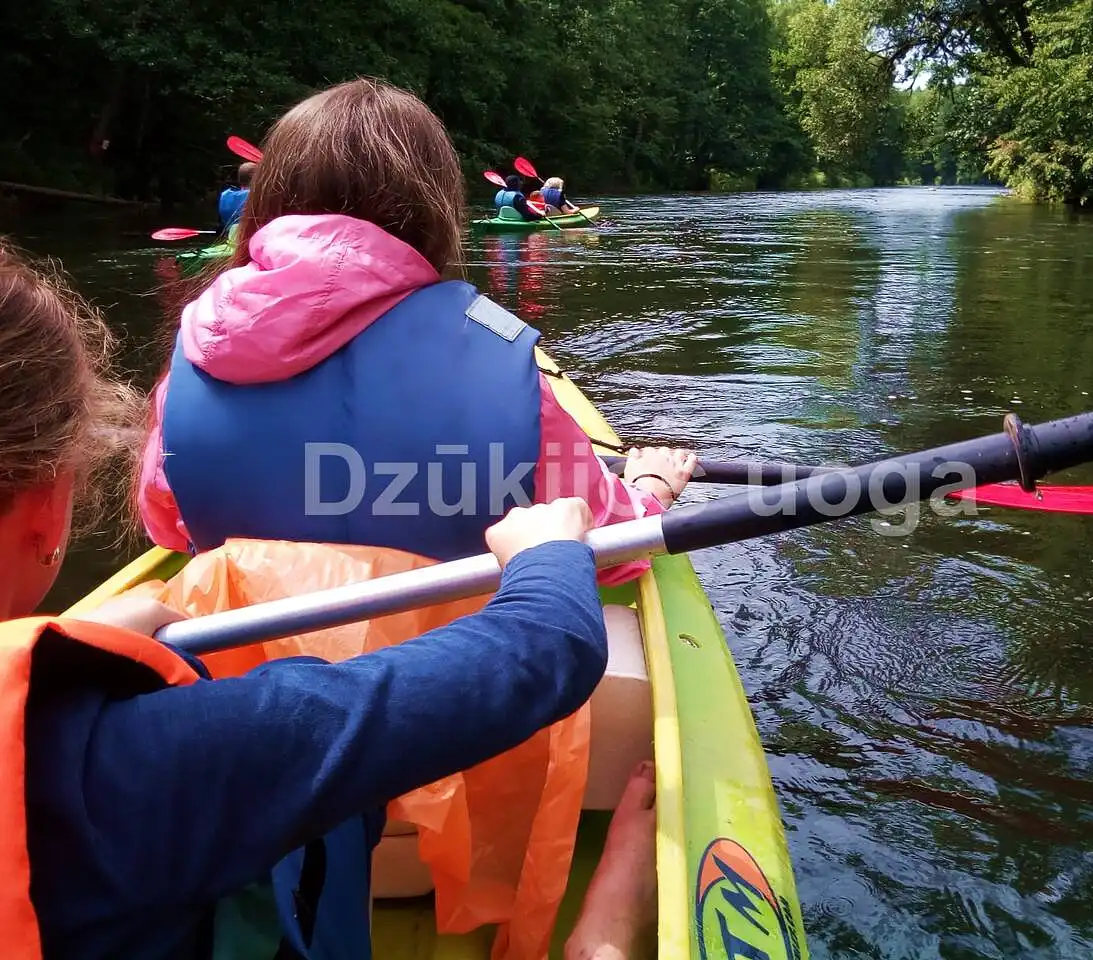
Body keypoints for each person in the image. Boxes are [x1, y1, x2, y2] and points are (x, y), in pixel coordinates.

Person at [0, 238, 657, 958]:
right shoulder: (139, 768)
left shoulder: (199, 355)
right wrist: (552, 555)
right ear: (44, 503)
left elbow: (169, 519)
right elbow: (546, 647)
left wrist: (79, 644)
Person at [137, 79, 696, 583]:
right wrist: (651, 488)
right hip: (449, 672)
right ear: (433, 209)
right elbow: (608, 544)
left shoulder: (196, 345)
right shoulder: (496, 357)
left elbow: (167, 523)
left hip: (248, 672)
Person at [218, 161, 256, 231]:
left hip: (230, 234)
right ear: (254, 177)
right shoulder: (254, 196)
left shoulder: (225, 195)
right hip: (248, 234)